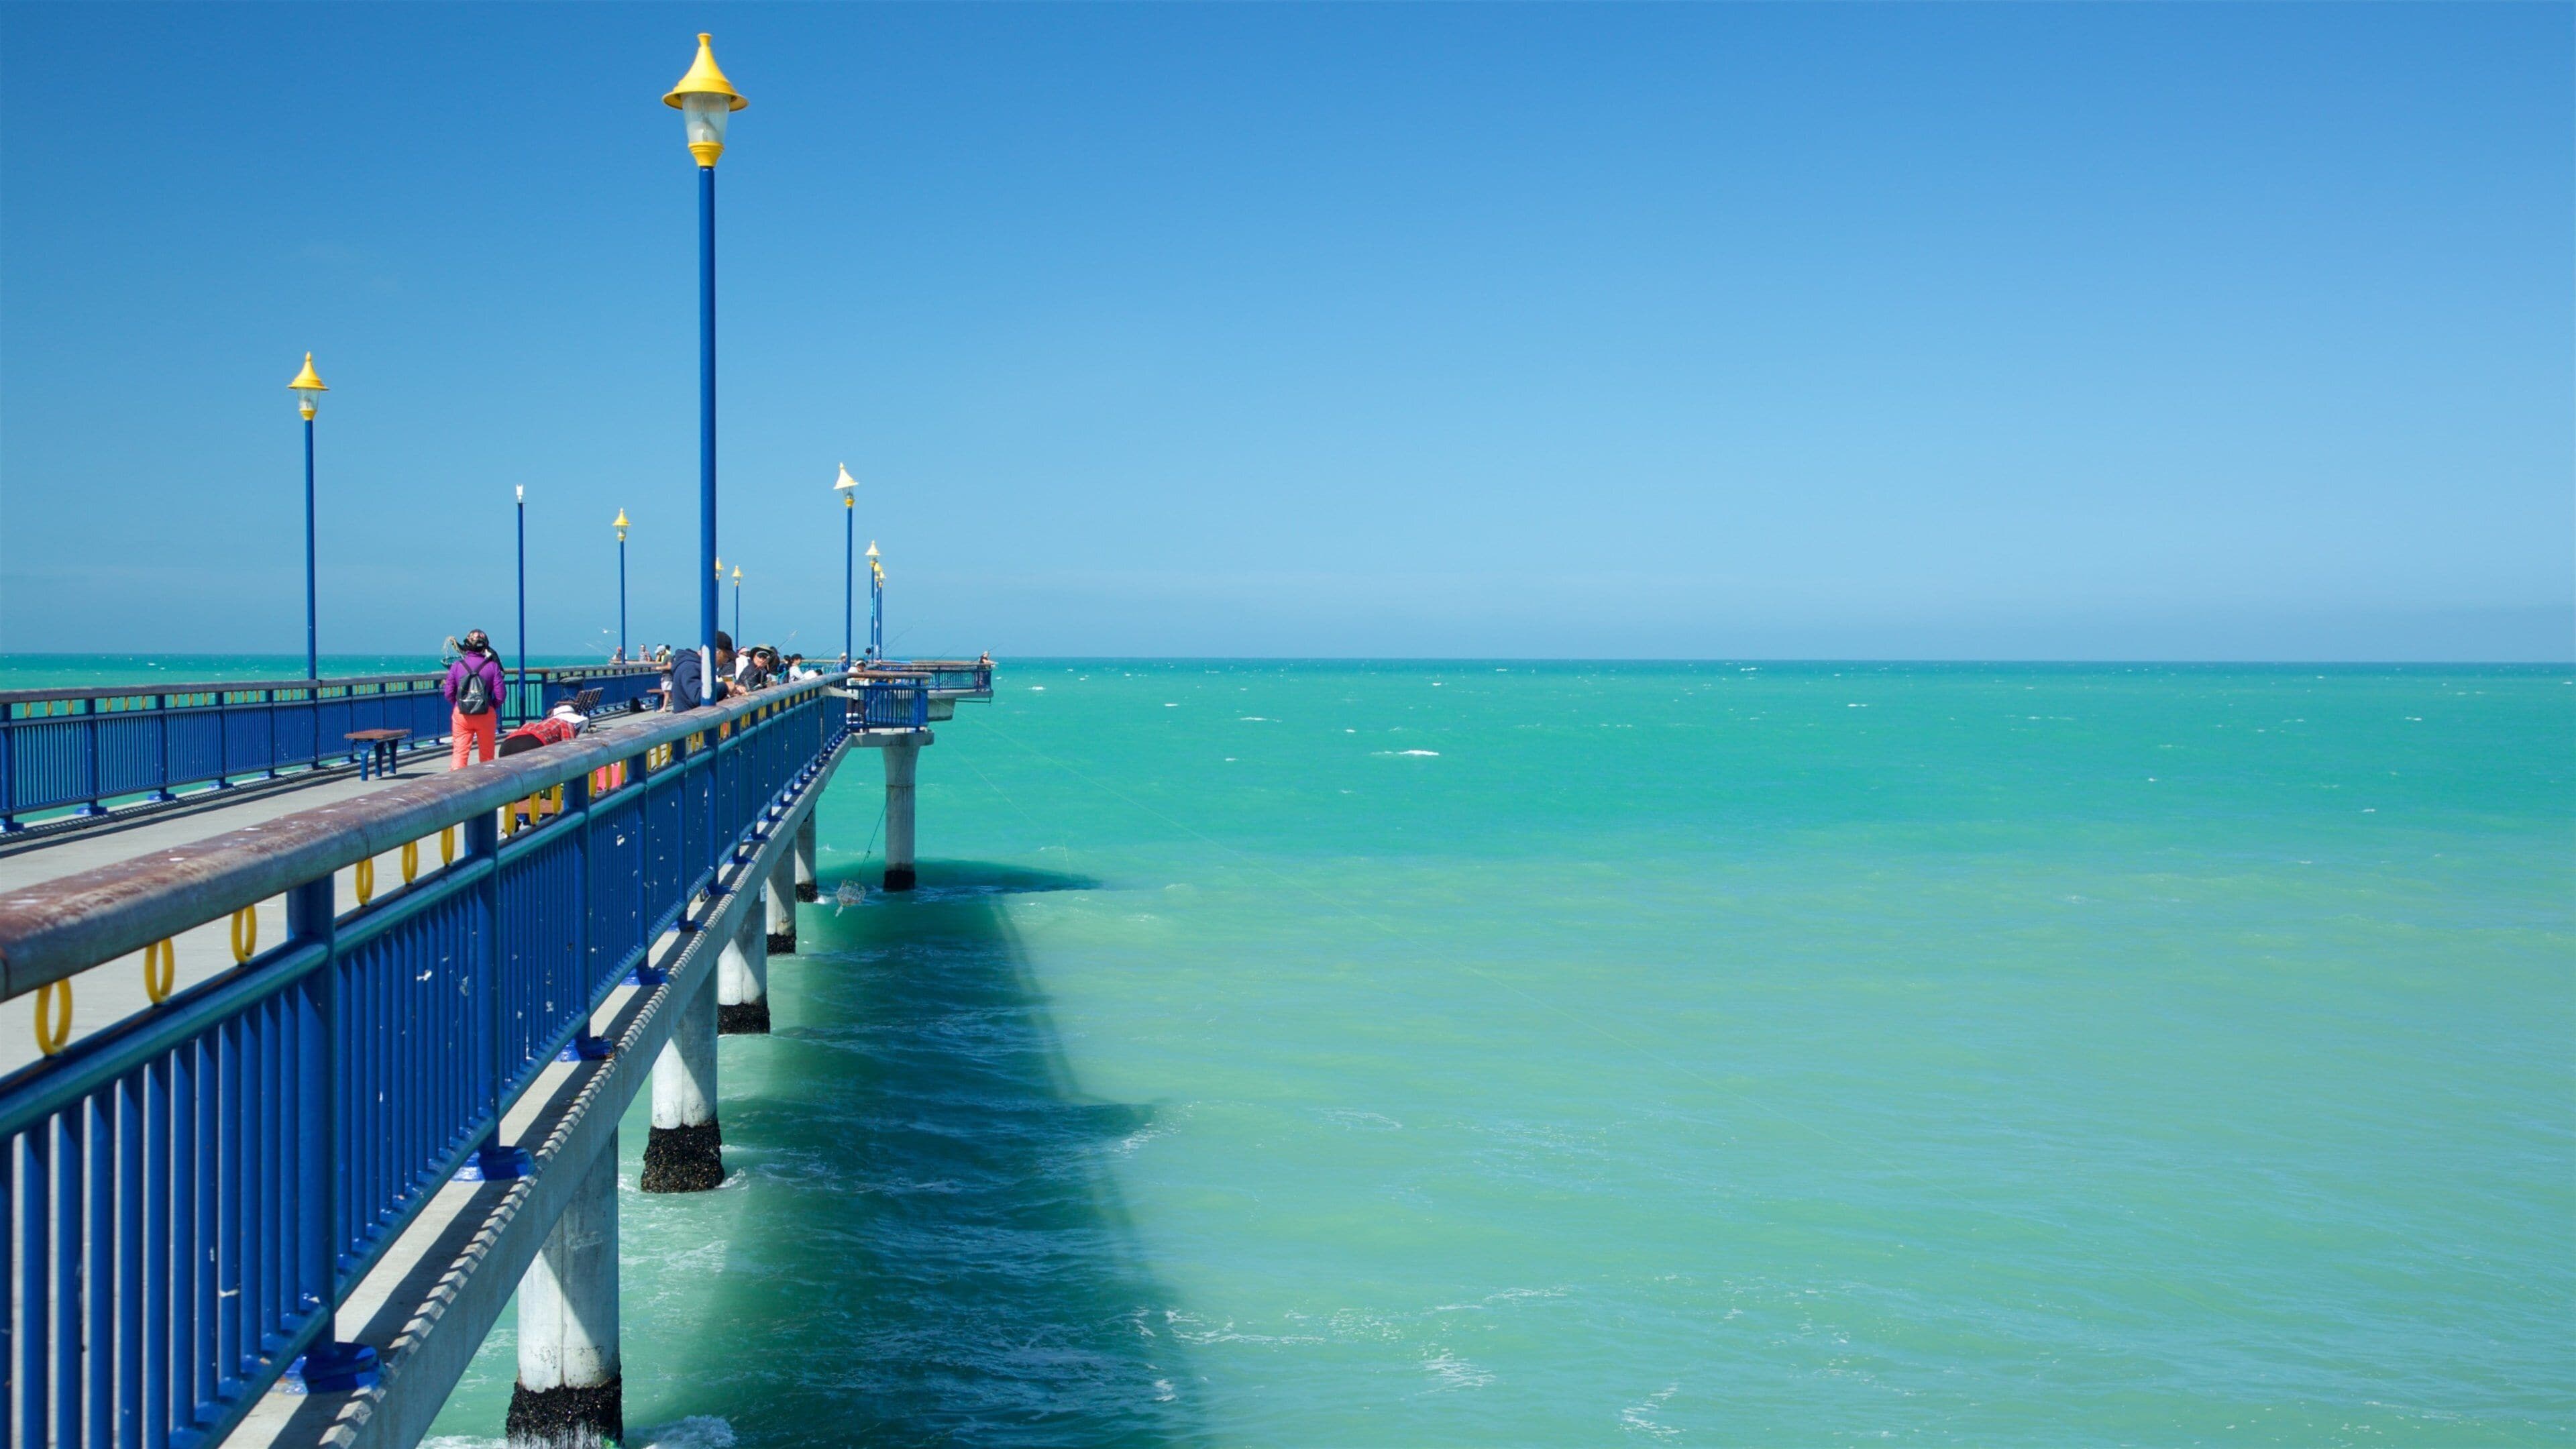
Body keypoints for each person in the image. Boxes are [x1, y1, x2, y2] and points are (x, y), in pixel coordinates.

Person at [444, 629, 506, 768]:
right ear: (485, 646)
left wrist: (458, 704)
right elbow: (501, 694)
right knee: (487, 756)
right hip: (485, 713)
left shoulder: (457, 666)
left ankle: (457, 785)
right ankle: (487, 785)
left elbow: (449, 692)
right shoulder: (492, 666)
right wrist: (491, 706)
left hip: (461, 714)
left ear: (467, 645)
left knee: (460, 753)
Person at [662, 631, 735, 711]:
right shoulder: (690, 667)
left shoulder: (697, 666)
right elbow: (698, 696)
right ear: (716, 652)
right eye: (725, 657)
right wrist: (726, 687)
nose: (725, 662)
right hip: (689, 721)